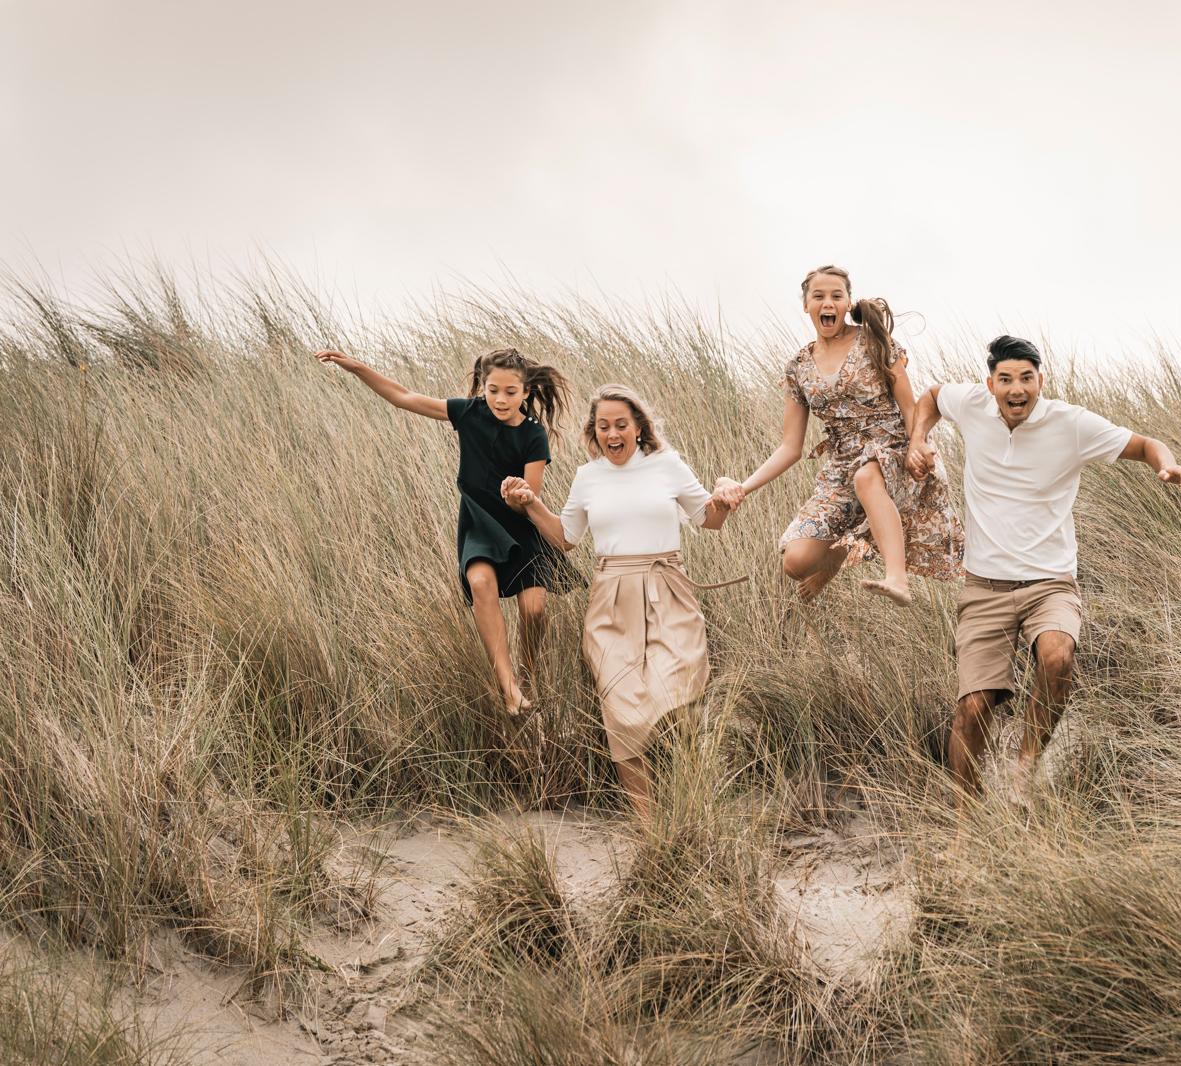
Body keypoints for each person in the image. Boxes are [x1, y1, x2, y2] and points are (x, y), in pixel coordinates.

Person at [906, 335, 1181, 807]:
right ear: (991, 384)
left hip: (1050, 584)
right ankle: (965, 821)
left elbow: (1146, 445)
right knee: (972, 709)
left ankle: (1024, 768)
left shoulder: (1070, 424)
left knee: (1057, 656)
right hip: (985, 587)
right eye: (1006, 379)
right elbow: (933, 396)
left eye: (1026, 378)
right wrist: (919, 438)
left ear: (1040, 381)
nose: (1016, 389)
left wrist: (1169, 465)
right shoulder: (973, 404)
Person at [502, 383, 740, 817]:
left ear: (638, 427)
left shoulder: (666, 465)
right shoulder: (587, 476)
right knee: (621, 710)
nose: (612, 434)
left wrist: (724, 493)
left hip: (669, 589)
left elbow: (710, 519)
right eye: (603, 426)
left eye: (621, 425)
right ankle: (648, 823)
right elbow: (566, 538)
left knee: (680, 696)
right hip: (611, 598)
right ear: (594, 431)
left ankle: (692, 804)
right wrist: (531, 504)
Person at [316, 346, 580, 716]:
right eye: (492, 390)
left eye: (510, 392)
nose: (500, 399)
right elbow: (403, 396)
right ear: (483, 386)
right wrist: (357, 367)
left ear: (525, 392)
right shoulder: (470, 413)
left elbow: (530, 497)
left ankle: (527, 674)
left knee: (534, 609)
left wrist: (518, 495)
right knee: (481, 583)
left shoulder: (534, 435)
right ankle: (509, 688)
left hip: (522, 529)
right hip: (479, 524)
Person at [713, 264, 961, 604]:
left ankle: (897, 579)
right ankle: (838, 554)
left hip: (895, 449)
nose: (827, 302)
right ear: (806, 305)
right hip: (842, 465)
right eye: (818, 296)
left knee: (866, 477)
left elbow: (909, 407)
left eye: (836, 296)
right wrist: (743, 487)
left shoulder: (875, 343)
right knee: (796, 563)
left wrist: (918, 444)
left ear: (847, 303)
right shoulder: (798, 367)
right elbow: (790, 447)